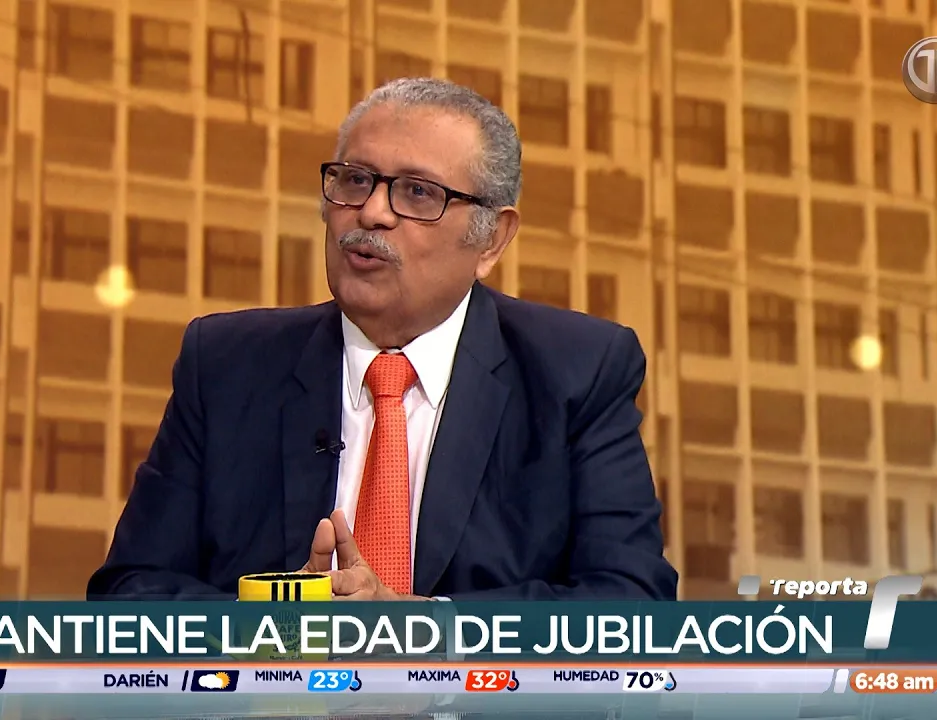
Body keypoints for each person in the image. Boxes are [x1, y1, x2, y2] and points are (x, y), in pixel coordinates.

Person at [88, 77, 678, 601]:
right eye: (354, 180)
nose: (371, 212)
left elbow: (630, 603)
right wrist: (285, 631)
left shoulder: (578, 372)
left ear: (491, 240)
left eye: (417, 191)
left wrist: (419, 634)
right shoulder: (225, 365)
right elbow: (130, 592)